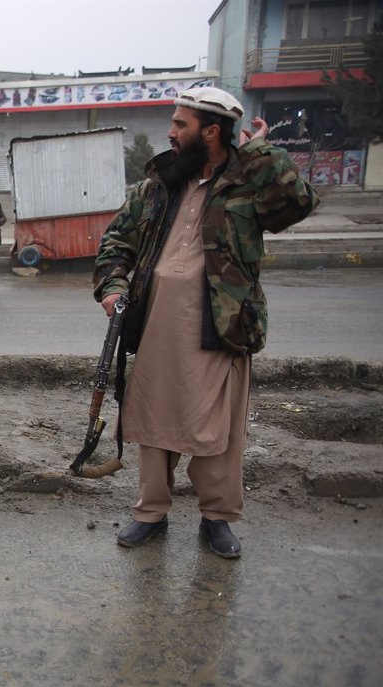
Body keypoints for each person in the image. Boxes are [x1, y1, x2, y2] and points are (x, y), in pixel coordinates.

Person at [92, 87, 318, 559]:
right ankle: (149, 513)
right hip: (156, 323)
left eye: (180, 125)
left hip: (224, 322)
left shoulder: (249, 184)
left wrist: (260, 151)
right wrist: (113, 287)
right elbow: (116, 240)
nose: (170, 133)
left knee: (220, 429)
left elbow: (297, 203)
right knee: (153, 416)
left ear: (210, 132)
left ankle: (217, 519)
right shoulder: (158, 185)